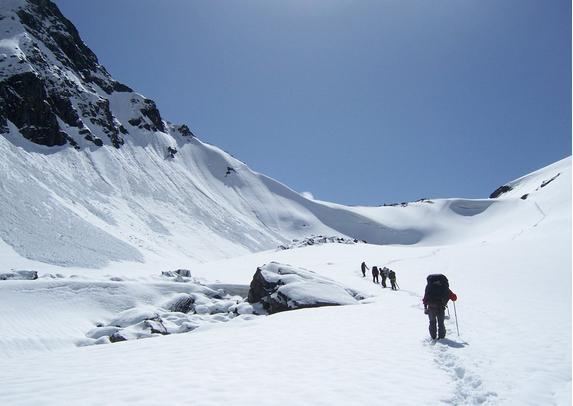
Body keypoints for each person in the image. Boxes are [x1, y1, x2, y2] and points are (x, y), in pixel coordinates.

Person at [423, 274, 457, 340]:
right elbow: (454, 298)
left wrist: (425, 307)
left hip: (431, 308)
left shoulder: (429, 287)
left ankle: (433, 337)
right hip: (440, 308)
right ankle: (441, 338)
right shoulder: (444, 287)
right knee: (441, 323)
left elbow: (425, 298)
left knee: (432, 322)